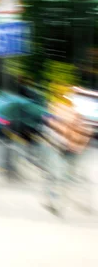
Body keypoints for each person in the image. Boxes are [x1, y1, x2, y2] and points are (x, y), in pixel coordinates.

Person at [41, 85, 92, 215]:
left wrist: (78, 145)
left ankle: (59, 202)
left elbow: (86, 131)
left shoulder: (76, 112)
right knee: (58, 176)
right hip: (59, 146)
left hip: (69, 147)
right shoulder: (59, 109)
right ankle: (55, 202)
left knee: (65, 176)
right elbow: (52, 127)